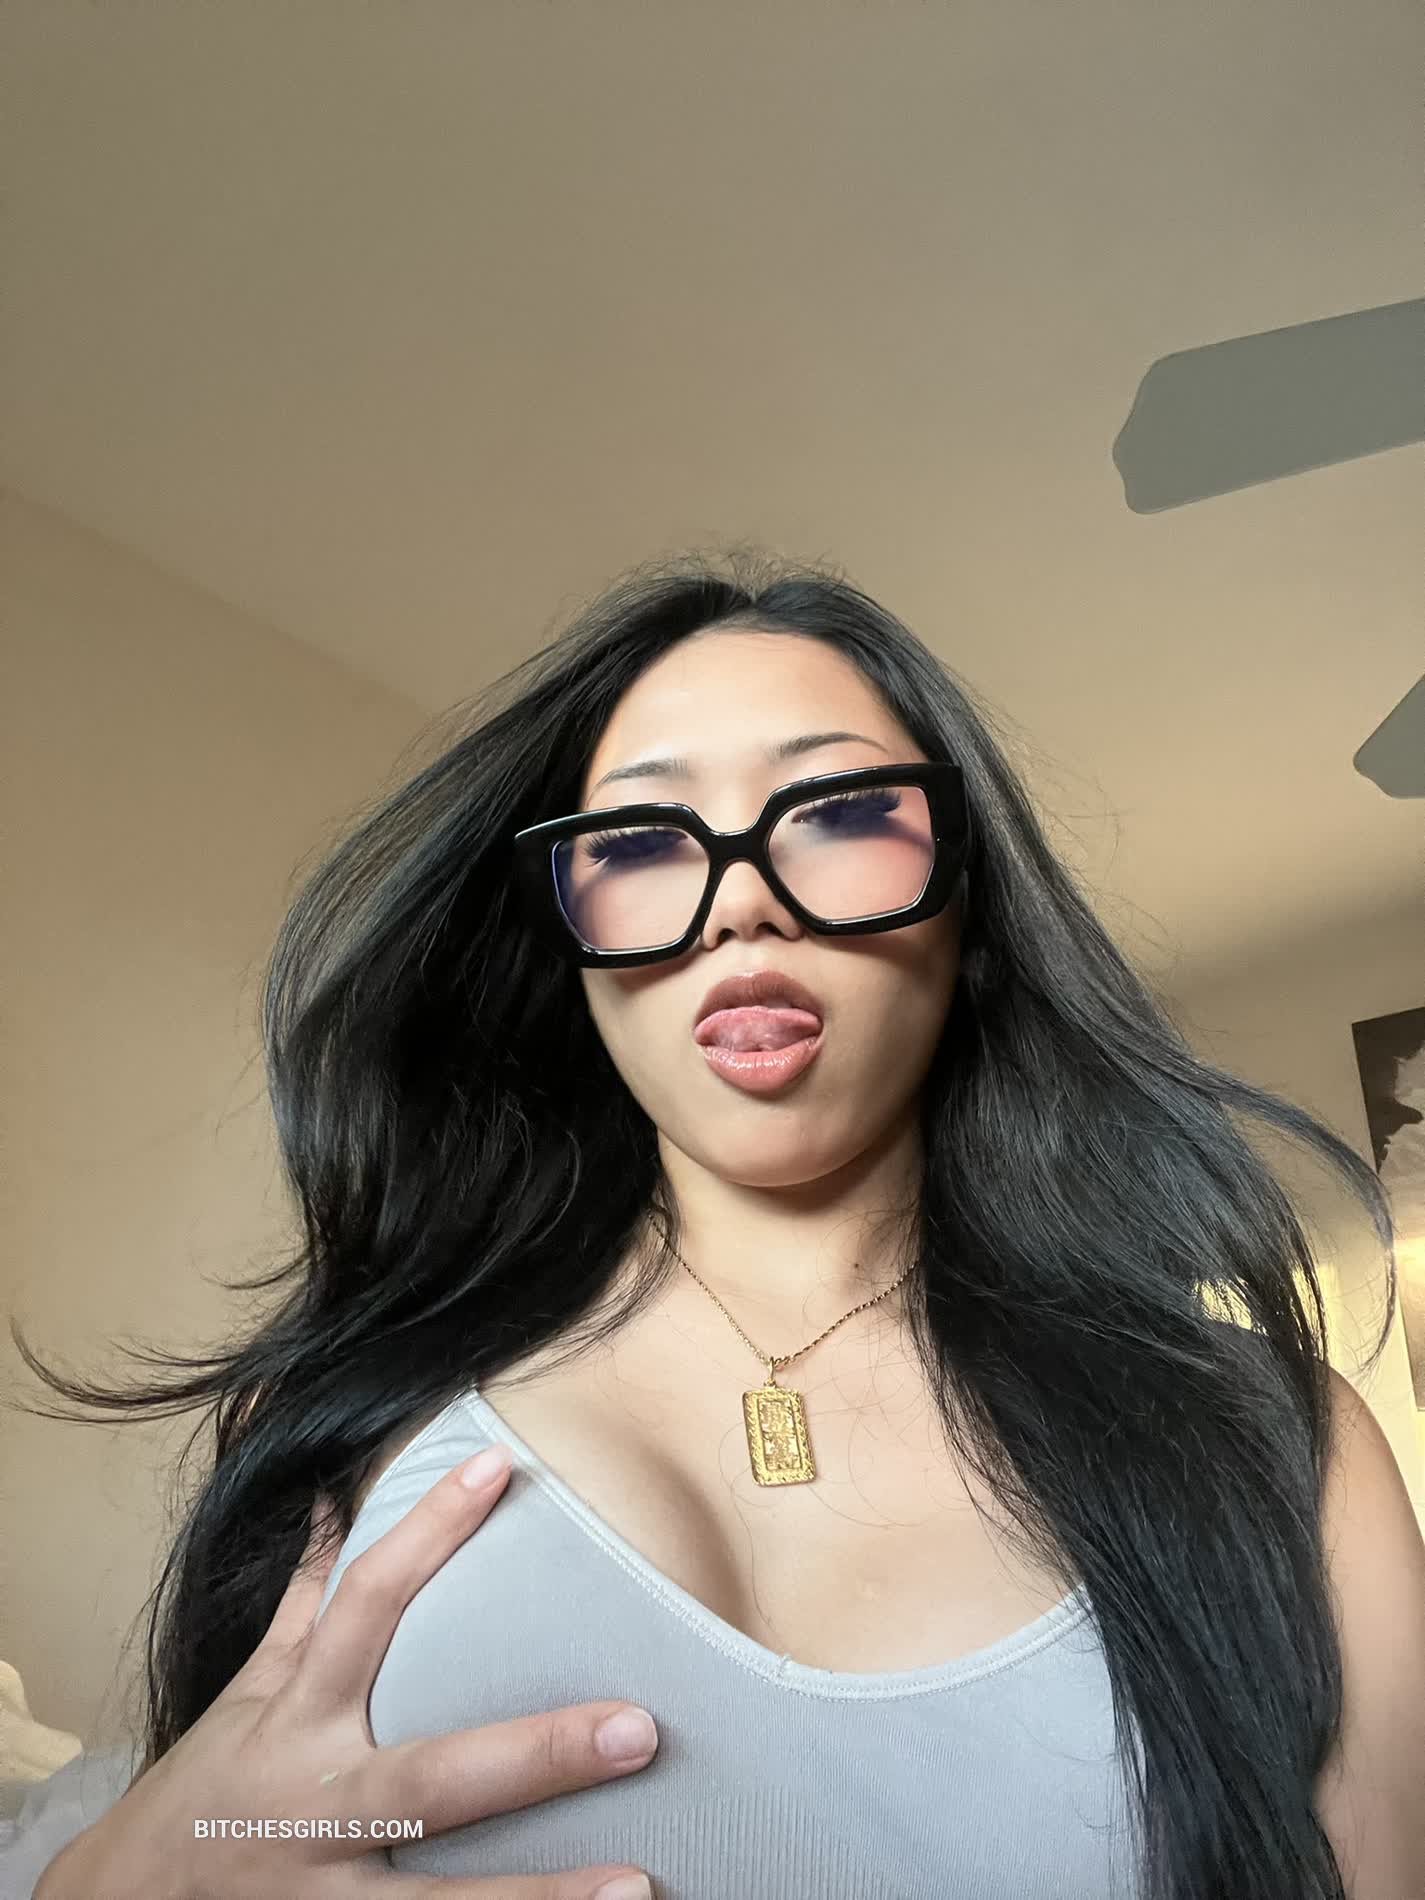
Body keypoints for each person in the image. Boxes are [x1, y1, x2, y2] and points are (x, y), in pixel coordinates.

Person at [11, 549, 1424, 1899]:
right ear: (566, 942)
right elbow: (251, 1830)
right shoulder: (350, 1416)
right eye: (638, 839)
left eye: (844, 814)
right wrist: (111, 1879)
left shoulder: (1282, 1454)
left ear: (969, 909)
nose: (738, 903)